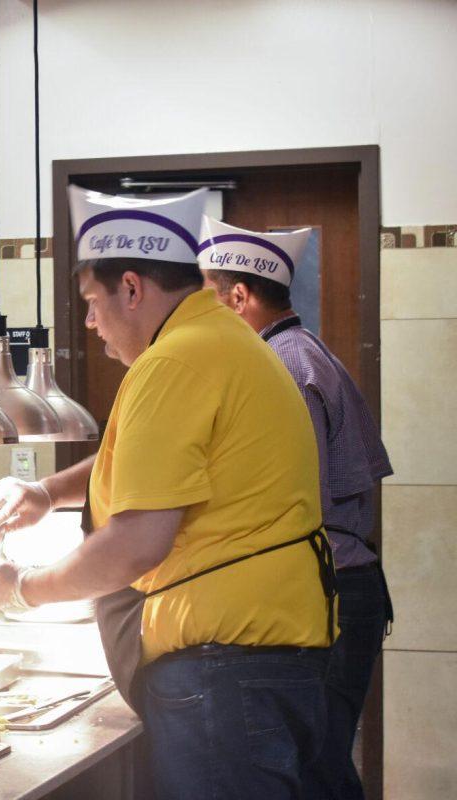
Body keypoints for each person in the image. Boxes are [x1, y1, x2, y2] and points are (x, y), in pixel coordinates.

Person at [0, 187, 336, 799]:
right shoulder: (217, 340)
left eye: (93, 301)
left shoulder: (174, 362)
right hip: (261, 660)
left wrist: (23, 589)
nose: (90, 322)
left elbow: (135, 544)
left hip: (225, 668)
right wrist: (45, 493)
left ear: (133, 288)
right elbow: (156, 465)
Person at [200, 217, 393, 800]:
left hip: (331, 591)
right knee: (324, 765)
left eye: (206, 300)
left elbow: (289, 494)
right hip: (345, 587)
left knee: (313, 772)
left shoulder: (281, 364)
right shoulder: (303, 350)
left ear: (238, 296)